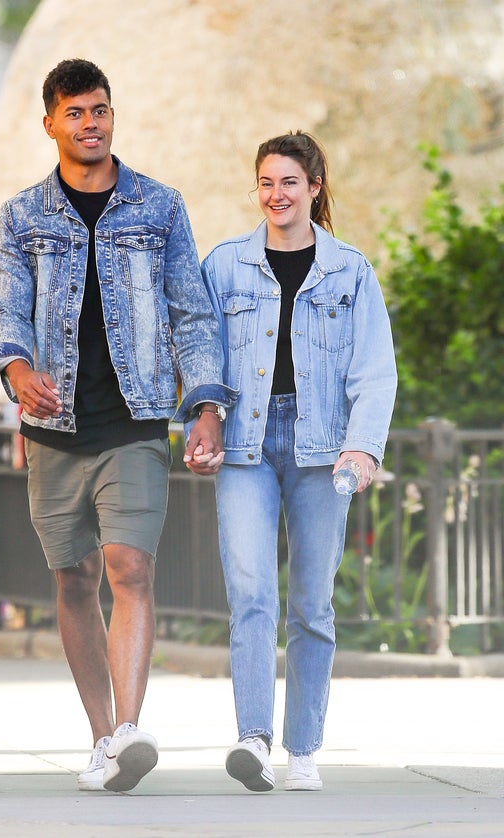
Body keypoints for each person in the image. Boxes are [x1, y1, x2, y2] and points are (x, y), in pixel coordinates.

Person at [0, 58, 232, 793]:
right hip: (54, 427)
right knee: (74, 578)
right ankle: (100, 736)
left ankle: (128, 731)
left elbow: (192, 312)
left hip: (135, 416)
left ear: (112, 116)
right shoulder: (23, 215)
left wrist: (206, 405)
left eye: (101, 110)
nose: (91, 124)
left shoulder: (159, 207)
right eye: (76, 113)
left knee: (131, 568)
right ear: (51, 123)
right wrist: (18, 370)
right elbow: (6, 308)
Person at [199, 131, 397, 792]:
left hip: (322, 449)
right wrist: (201, 418)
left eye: (289, 182)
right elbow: (199, 353)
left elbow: (375, 370)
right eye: (266, 183)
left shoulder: (351, 270)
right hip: (246, 446)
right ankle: (253, 738)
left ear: (314, 186)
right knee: (251, 591)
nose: (276, 195)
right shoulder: (226, 265)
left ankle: (303, 748)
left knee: (311, 604)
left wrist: (363, 445)